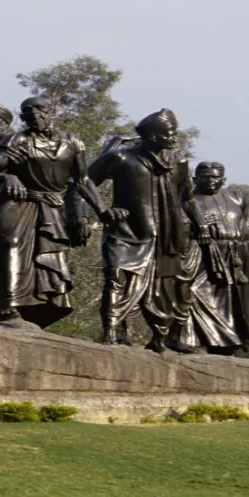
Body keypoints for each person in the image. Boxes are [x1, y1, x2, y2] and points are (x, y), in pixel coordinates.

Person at [0, 97, 119, 328]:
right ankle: (5, 308)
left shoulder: (73, 142)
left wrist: (101, 210)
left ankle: (37, 311)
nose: (36, 117)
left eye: (41, 112)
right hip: (18, 203)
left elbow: (82, 180)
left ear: (52, 112)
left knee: (49, 259)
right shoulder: (18, 140)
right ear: (23, 119)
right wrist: (7, 176)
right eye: (29, 115)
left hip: (51, 208)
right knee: (10, 244)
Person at [87, 110, 192, 350]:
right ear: (152, 136)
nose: (174, 136)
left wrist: (199, 226)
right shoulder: (120, 158)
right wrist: (103, 210)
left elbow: (185, 198)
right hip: (127, 231)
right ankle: (110, 334)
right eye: (168, 133)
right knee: (116, 278)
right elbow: (84, 181)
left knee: (163, 288)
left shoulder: (180, 162)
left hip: (166, 236)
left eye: (174, 131)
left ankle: (158, 340)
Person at [180, 161, 249, 355]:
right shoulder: (188, 200)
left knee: (233, 302)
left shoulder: (236, 197)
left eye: (215, 177)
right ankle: (194, 339)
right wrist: (195, 227)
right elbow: (177, 227)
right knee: (194, 292)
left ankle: (226, 343)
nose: (210, 180)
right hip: (203, 252)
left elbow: (248, 229)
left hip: (236, 256)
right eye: (205, 176)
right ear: (195, 179)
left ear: (223, 179)